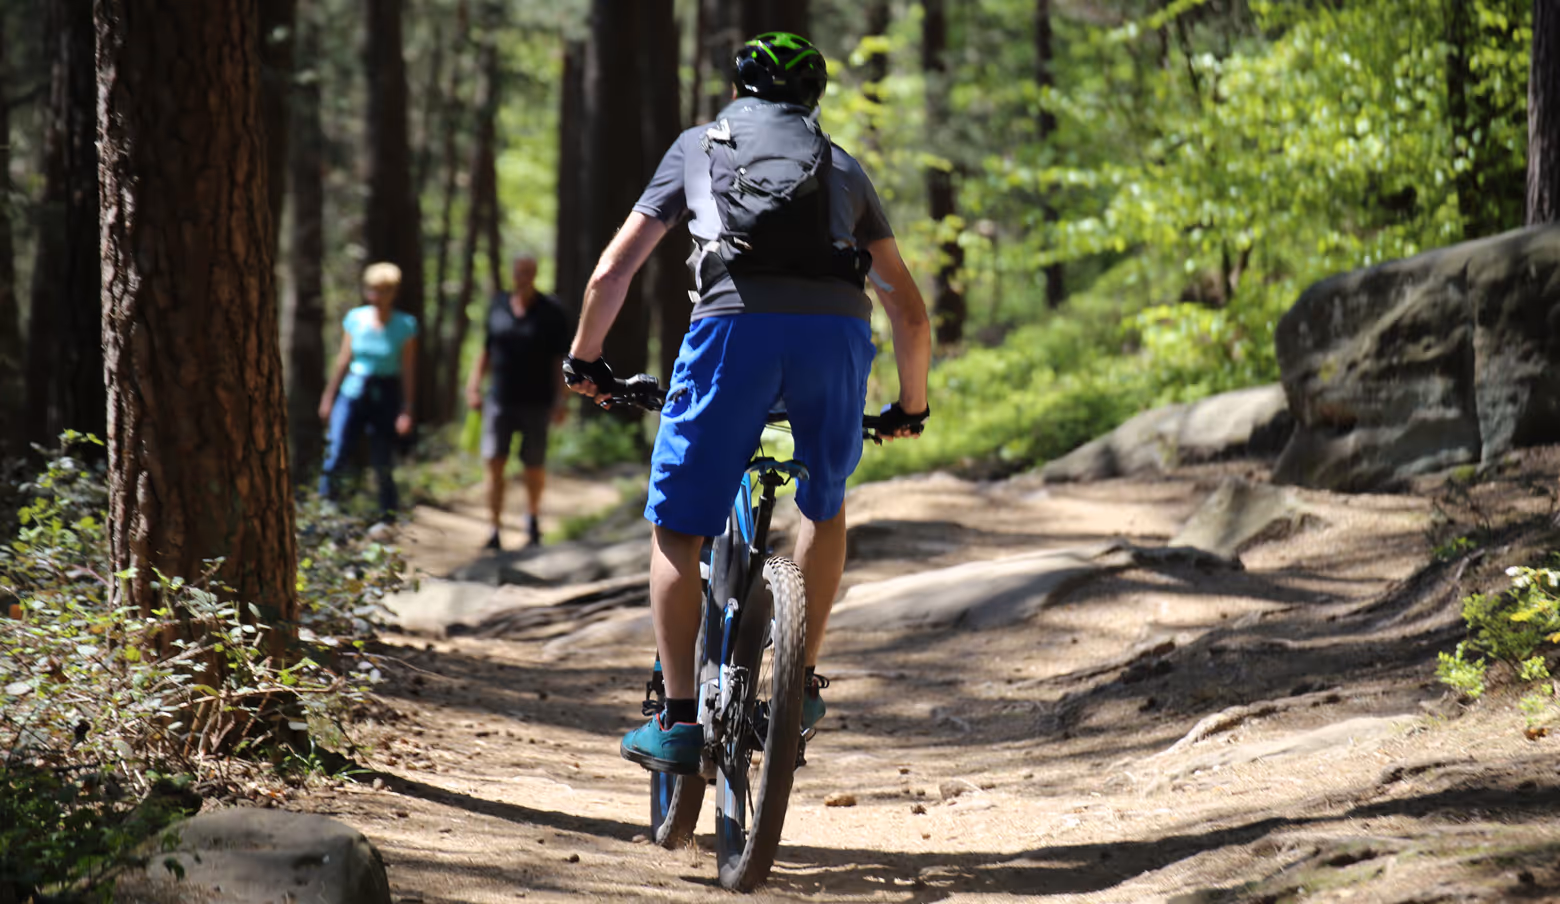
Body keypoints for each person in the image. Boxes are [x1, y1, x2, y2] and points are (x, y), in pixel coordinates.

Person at [563, 32, 932, 774]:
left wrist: (586, 362)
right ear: (814, 99)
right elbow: (909, 311)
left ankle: (676, 720)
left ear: (736, 91)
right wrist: (909, 407)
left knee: (678, 525)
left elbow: (611, 273)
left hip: (732, 330)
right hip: (834, 336)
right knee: (824, 505)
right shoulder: (841, 166)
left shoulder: (697, 148)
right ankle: (798, 685)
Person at [464, 255, 573, 550]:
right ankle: (493, 527)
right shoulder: (498, 305)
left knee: (533, 465)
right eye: (518, 271)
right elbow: (486, 349)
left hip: (537, 402)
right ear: (512, 273)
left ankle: (532, 519)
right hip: (499, 399)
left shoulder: (551, 311)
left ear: (535, 274)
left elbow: (560, 360)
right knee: (494, 462)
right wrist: (473, 385)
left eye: (528, 272)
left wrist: (561, 399)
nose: (522, 277)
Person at [318, 262, 419, 520]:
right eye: (373, 289)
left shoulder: (405, 325)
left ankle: (387, 516)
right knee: (336, 449)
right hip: (352, 391)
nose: (378, 296)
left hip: (385, 394)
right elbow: (343, 360)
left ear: (394, 292)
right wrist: (329, 397)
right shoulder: (356, 319)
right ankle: (324, 511)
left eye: (384, 290)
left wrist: (407, 409)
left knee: (382, 458)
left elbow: (408, 369)